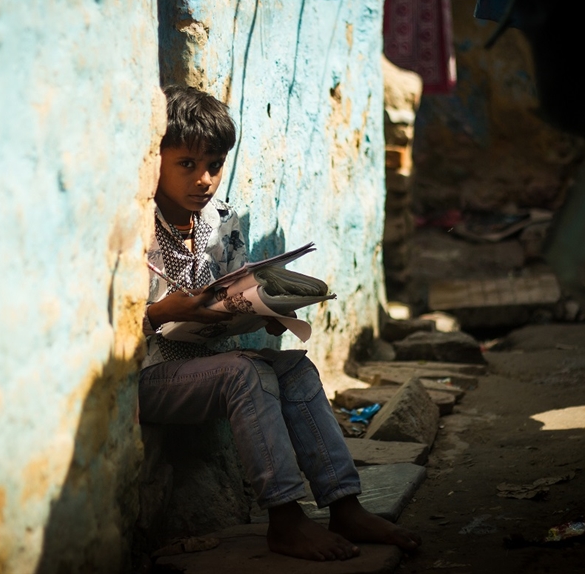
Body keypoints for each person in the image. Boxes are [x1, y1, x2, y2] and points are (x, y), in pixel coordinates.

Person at [139, 84, 422, 562]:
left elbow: (234, 288)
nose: (203, 180)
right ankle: (286, 518)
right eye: (187, 165)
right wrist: (163, 311)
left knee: (294, 368)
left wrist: (266, 310)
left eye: (214, 165)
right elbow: (128, 320)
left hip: (205, 365)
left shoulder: (221, 219)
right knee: (246, 372)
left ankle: (344, 503)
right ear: (158, 160)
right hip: (151, 376)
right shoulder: (137, 224)